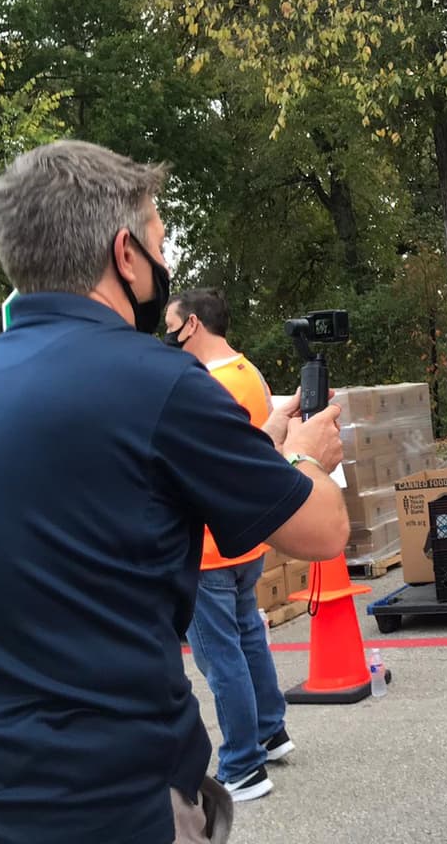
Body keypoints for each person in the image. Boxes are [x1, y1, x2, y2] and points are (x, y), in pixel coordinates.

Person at [0, 140, 349, 844]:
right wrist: (305, 457)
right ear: (125, 254)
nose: (167, 261)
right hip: (113, 798)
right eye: (161, 238)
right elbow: (320, 533)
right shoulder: (161, 383)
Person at [164, 288, 293, 803]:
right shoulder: (250, 375)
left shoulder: (203, 387)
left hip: (209, 546)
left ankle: (241, 763)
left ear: (191, 324)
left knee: (222, 658)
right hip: (245, 537)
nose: (166, 337)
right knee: (247, 637)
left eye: (170, 326)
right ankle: (270, 729)